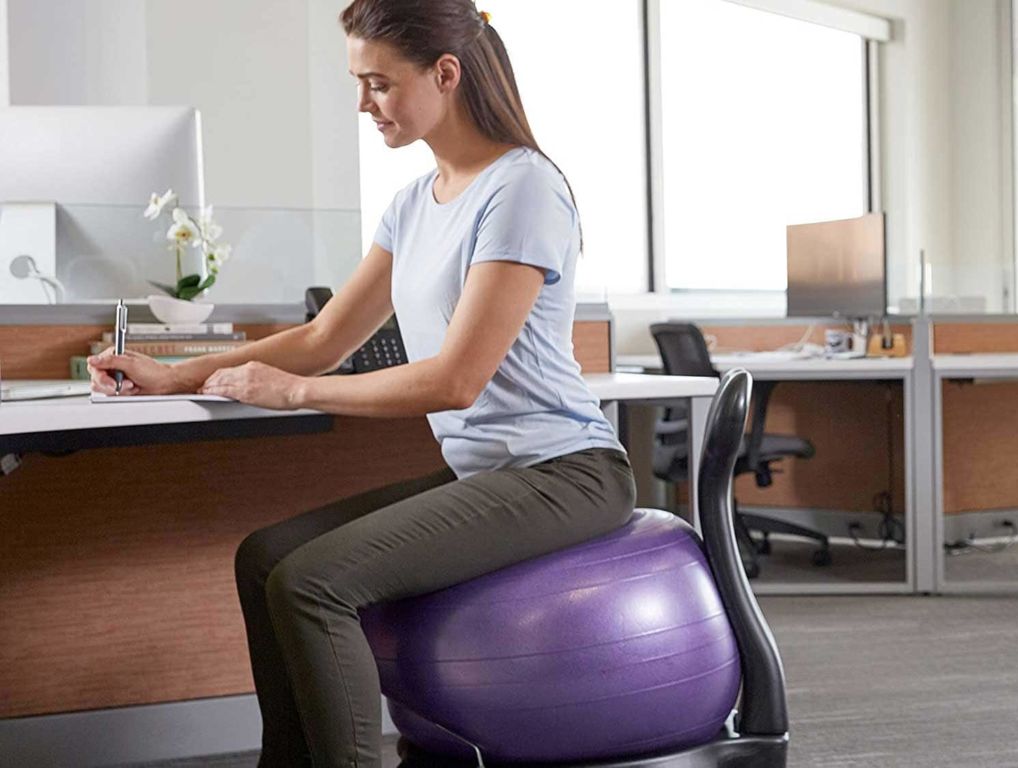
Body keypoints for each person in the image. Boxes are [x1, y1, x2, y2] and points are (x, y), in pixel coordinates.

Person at [88, 1, 636, 765]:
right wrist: (171, 375)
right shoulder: (414, 204)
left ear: (445, 74)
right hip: (492, 472)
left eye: (378, 83)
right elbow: (321, 338)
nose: (362, 104)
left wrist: (293, 391)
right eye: (357, 82)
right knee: (265, 559)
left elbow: (455, 379)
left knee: (312, 585)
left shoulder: (523, 188)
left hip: (566, 474)